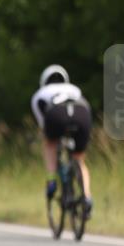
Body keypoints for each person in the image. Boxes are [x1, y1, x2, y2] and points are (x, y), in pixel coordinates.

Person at [30, 64, 93, 218]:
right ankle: (87, 197)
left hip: (56, 113)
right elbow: (85, 106)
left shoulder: (40, 94)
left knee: (49, 143)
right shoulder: (74, 88)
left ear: (43, 81)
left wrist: (50, 137)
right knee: (79, 158)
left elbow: (43, 125)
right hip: (82, 113)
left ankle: (52, 180)